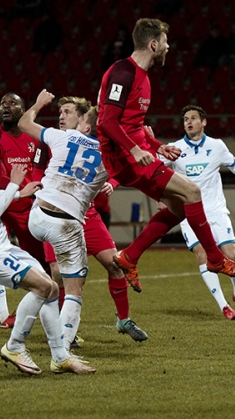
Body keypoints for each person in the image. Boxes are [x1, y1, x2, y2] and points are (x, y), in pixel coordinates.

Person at [97, 18, 235, 293]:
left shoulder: (143, 77)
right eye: (165, 42)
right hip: (123, 158)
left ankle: (129, 256)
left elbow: (133, 125)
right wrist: (135, 150)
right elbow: (107, 121)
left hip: (133, 155)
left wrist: (157, 146)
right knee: (192, 191)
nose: (168, 47)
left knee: (179, 207)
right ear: (153, 44)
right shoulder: (123, 73)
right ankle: (215, 259)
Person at [0, 107, 94, 375]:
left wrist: (18, 193)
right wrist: (14, 184)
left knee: (51, 288)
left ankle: (60, 357)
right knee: (42, 286)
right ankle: (14, 346)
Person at [18, 92, 148, 343]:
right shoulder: (102, 151)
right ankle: (63, 335)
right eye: (60, 112)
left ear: (82, 121)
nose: (61, 116)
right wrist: (147, 143)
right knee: (60, 276)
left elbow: (25, 123)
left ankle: (122, 320)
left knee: (114, 265)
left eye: (68, 112)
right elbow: (135, 168)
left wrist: (112, 182)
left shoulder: (61, 138)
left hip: (80, 214)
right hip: (61, 215)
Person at [165, 105, 235, 320]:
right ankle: (223, 305)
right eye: (185, 119)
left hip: (215, 210)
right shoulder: (174, 148)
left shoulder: (217, 146)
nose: (189, 122)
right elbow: (154, 171)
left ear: (204, 122)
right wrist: (164, 197)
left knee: (231, 255)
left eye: (193, 118)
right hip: (189, 212)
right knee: (203, 255)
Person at [0, 92, 50, 342]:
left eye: (13, 103)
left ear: (23, 110)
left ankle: (55, 323)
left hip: (28, 208)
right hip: (1, 206)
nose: (6, 107)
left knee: (43, 264)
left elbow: (43, 170)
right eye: (2, 103)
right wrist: (17, 191)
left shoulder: (36, 136)